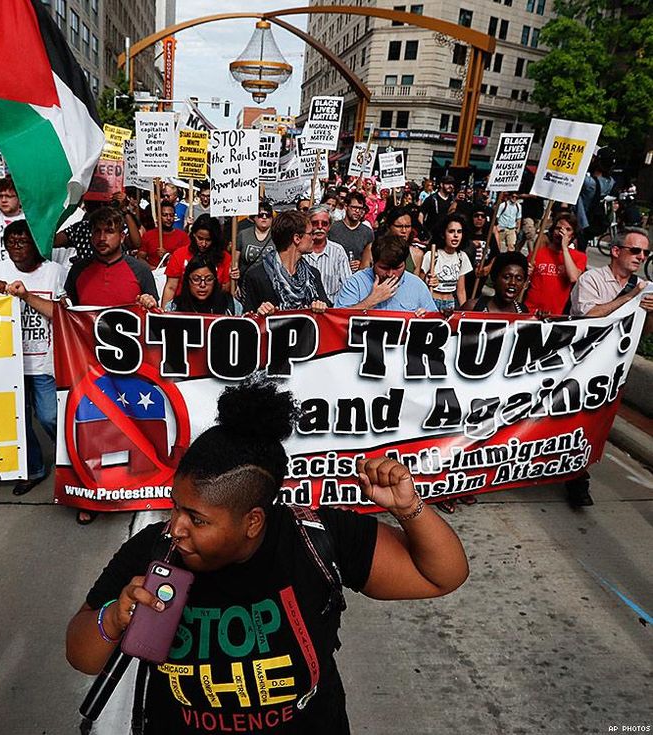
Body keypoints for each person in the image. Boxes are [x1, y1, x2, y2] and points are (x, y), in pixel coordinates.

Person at [66, 377, 468, 734]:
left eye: (197, 519)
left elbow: (441, 576)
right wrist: (113, 618)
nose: (176, 527)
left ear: (253, 522)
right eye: (175, 508)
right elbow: (80, 654)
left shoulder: (318, 539)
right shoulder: (154, 551)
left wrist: (409, 508)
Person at [64, 206, 159, 525]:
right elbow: (69, 316)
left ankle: (131, 489)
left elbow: (157, 319)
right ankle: (90, 495)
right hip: (88, 368)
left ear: (122, 235)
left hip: (132, 369)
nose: (101, 237)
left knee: (131, 429)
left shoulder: (140, 270)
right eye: (96, 231)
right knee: (91, 432)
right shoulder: (78, 270)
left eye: (109, 231)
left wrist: (149, 304)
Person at [566, 227, 653, 508]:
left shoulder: (643, 287)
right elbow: (589, 315)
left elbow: (643, 334)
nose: (641, 257)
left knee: (595, 423)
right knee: (572, 420)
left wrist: (650, 312)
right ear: (616, 251)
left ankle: (579, 473)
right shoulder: (593, 279)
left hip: (613, 370)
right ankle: (573, 477)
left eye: (646, 252)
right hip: (581, 365)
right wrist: (631, 299)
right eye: (635, 250)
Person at [0, 220, 67, 496]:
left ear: (36, 245)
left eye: (23, 242)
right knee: (20, 419)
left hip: (44, 361)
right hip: (10, 362)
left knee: (49, 417)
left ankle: (69, 456)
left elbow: (64, 314)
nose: (16, 248)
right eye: (11, 243)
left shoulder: (54, 272)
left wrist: (27, 296)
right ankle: (33, 469)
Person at [238, 210, 329, 315]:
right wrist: (260, 313)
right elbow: (248, 318)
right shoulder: (257, 276)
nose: (314, 237)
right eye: (310, 233)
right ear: (297, 238)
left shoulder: (313, 275)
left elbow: (328, 311)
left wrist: (322, 307)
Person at [335, 235, 438, 314]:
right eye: (384, 268)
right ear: (373, 263)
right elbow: (338, 319)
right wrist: (371, 301)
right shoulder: (355, 282)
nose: (390, 274)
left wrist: (425, 319)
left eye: (397, 268)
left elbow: (435, 322)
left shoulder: (417, 285)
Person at [523, 212, 587, 316]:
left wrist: (565, 248)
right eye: (558, 228)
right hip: (531, 311)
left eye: (567, 229)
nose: (561, 232)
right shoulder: (536, 254)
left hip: (555, 314)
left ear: (573, 235)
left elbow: (573, 277)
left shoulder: (579, 257)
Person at [161, 215, 230, 307]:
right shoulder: (179, 254)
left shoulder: (225, 257)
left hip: (214, 308)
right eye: (200, 238)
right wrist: (164, 314)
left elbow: (226, 290)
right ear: (193, 235)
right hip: (183, 308)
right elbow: (171, 287)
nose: (203, 244)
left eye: (208, 240)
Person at [420, 213, 474, 313]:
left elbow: (461, 290)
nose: (456, 235)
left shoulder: (462, 257)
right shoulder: (431, 255)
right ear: (443, 234)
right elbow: (419, 282)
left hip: (450, 304)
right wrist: (428, 282)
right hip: (432, 301)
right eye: (451, 231)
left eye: (459, 232)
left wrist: (464, 312)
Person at [303, 204, 352, 304]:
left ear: (329, 226)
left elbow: (348, 284)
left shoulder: (338, 251)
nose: (320, 227)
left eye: (324, 224)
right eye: (315, 223)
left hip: (331, 310)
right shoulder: (300, 250)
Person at [166, 255, 241, 314]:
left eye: (208, 279)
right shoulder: (173, 307)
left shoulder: (231, 306)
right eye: (196, 279)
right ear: (188, 280)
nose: (202, 285)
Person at [461, 251, 529, 314]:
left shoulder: (523, 312)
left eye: (519, 279)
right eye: (507, 277)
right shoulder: (473, 308)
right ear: (494, 278)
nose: (513, 283)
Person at [327, 191, 373, 271]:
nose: (357, 211)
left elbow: (369, 260)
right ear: (346, 206)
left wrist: (361, 263)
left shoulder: (367, 232)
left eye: (360, 208)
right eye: (354, 207)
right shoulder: (333, 228)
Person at [139, 201, 190, 268]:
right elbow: (140, 258)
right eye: (165, 215)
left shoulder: (183, 236)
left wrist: (168, 256)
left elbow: (187, 260)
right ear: (158, 217)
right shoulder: (148, 235)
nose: (168, 218)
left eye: (171, 215)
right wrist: (151, 268)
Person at [235, 201, 275, 275]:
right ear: (254, 217)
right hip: (246, 280)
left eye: (268, 215)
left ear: (272, 218)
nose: (264, 217)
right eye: (260, 215)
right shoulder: (243, 234)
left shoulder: (278, 235)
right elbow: (235, 261)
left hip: (271, 280)